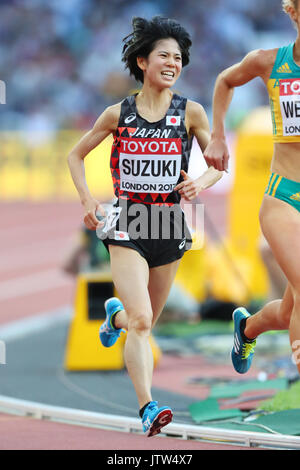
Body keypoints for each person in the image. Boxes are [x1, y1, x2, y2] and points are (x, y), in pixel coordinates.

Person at [68, 16, 223, 437]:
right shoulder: (117, 113)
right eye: (164, 56)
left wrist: (200, 181)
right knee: (142, 321)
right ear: (142, 61)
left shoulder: (190, 111)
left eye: (178, 58)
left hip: (168, 223)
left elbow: (217, 163)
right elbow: (74, 156)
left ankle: (112, 316)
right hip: (129, 222)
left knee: (144, 322)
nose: (173, 63)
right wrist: (87, 200)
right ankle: (148, 407)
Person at [204, 0, 300, 375]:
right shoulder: (269, 62)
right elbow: (225, 80)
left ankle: (247, 328)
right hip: (285, 197)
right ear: (293, 12)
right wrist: (217, 137)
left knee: (289, 309)